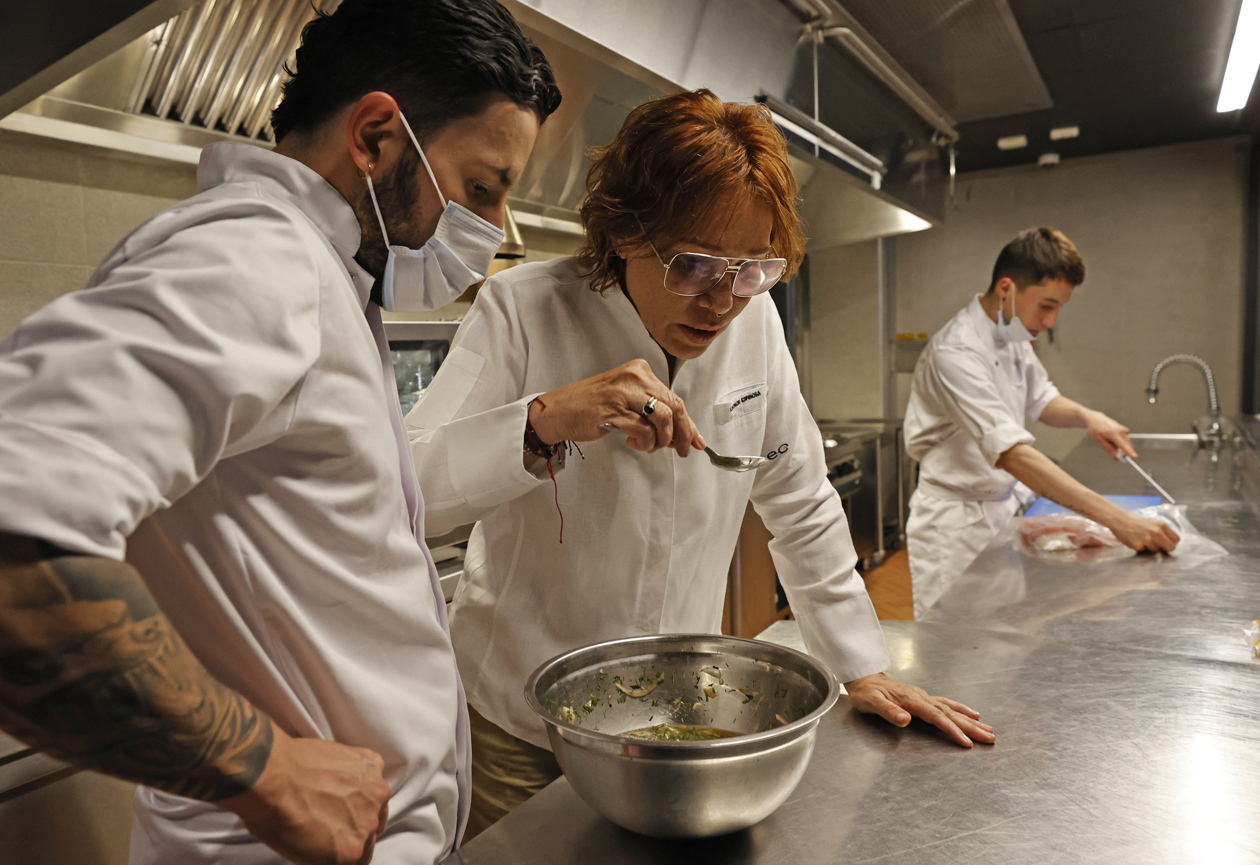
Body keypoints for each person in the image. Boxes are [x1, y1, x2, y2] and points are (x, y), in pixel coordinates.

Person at [0, 2, 560, 863]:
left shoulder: (328, 274)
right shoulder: (263, 262)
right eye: (482, 188)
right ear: (376, 136)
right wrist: (260, 767)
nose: (495, 231)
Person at [407, 89, 996, 838]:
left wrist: (861, 665)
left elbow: (799, 498)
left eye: (752, 270)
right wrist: (545, 420)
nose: (722, 302)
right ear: (624, 231)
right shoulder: (523, 310)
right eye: (693, 266)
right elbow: (408, 483)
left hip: (674, 717)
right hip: (522, 723)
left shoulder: (756, 330)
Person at [904, 227, 1179, 618]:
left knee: (1004, 642)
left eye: (1058, 308)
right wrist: (1119, 522)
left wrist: (1090, 418)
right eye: (1046, 306)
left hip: (998, 511)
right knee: (955, 649)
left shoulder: (1011, 334)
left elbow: (1041, 398)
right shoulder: (957, 352)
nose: (1050, 321)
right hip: (954, 528)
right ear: (1006, 288)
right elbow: (1012, 455)